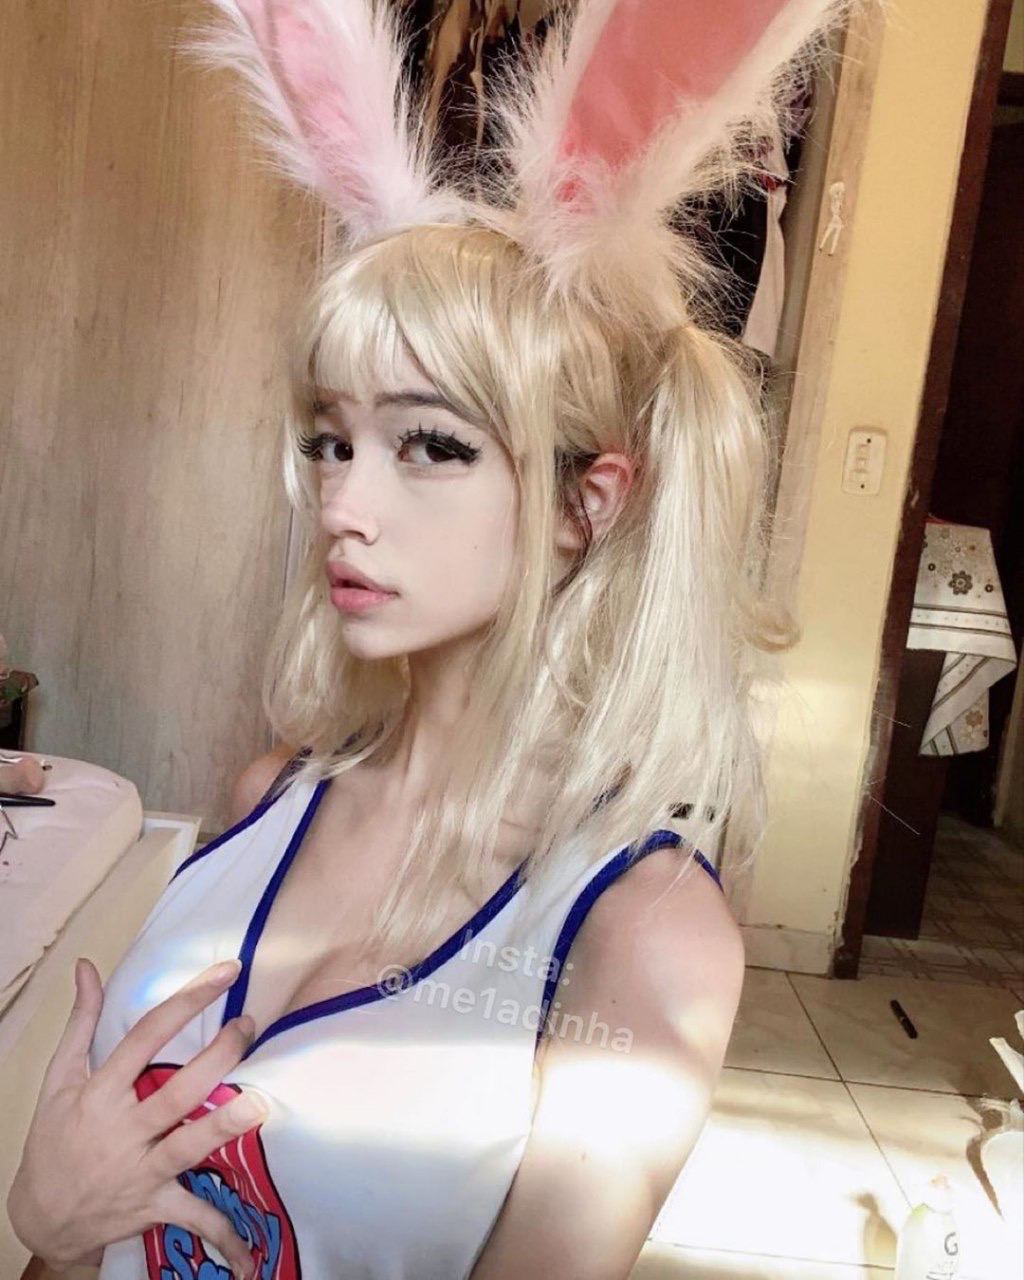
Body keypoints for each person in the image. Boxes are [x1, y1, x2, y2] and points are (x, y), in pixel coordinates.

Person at [7, 1, 849, 1277]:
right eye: (330, 439)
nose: (343, 503)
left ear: (586, 503)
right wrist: (56, 1227)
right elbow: (99, 1237)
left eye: (432, 445)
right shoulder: (268, 795)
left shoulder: (642, 934)